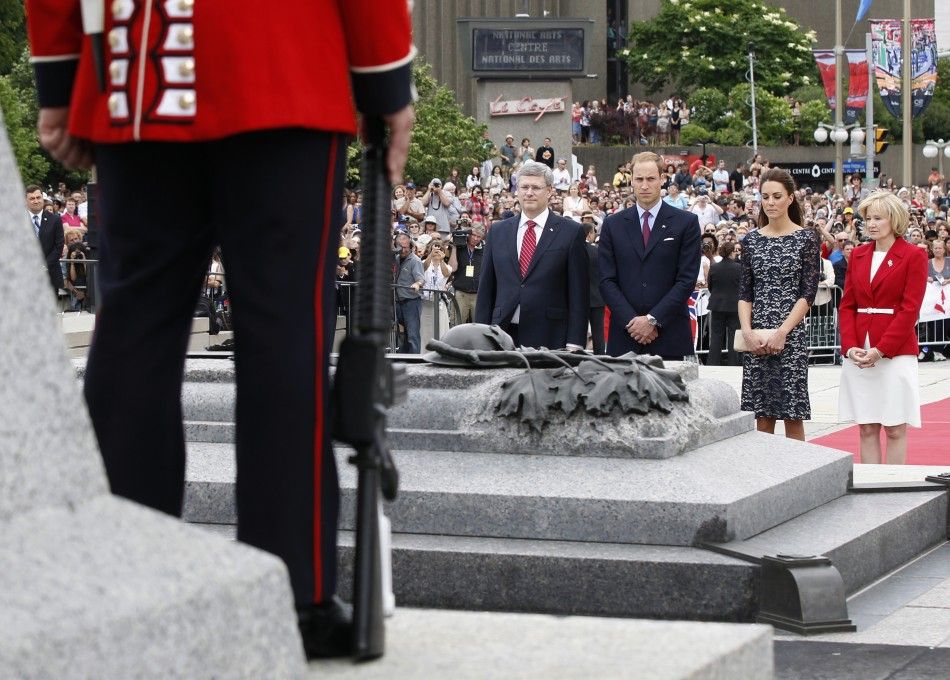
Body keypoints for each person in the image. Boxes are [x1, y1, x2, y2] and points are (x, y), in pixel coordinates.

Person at [26, 0, 415, 659]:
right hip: (281, 66)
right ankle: (293, 592)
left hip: (140, 68)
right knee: (284, 338)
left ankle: (120, 582)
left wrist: (62, 82)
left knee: (133, 337)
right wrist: (384, 83)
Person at [838, 192, 928, 464]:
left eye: (878, 217)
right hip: (860, 349)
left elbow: (909, 310)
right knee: (866, 426)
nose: (871, 224)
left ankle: (893, 486)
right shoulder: (859, 256)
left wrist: (881, 350)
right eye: (868, 219)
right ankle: (870, 486)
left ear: (894, 220)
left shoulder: (913, 256)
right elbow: (847, 305)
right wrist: (851, 347)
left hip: (895, 351)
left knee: (895, 427)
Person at [738, 168, 820, 440]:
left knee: (792, 413)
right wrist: (748, 332)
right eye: (765, 197)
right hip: (757, 337)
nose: (770, 202)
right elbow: (745, 293)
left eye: (776, 196)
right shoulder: (750, 240)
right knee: (762, 415)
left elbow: (807, 293)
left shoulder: (806, 238)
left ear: (790, 199)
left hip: (791, 335)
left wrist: (783, 331)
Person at [598, 151, 701, 360]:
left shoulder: (686, 223)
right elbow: (606, 280)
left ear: (662, 179)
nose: (644, 185)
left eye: (651, 179)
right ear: (631, 181)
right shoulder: (612, 224)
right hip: (625, 335)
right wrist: (633, 322)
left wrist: (653, 320)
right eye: (639, 179)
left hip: (670, 333)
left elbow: (686, 280)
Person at [476, 161, 589, 349]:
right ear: (517, 190)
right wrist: (480, 334)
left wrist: (575, 343)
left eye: (536, 187)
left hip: (551, 335)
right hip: (501, 333)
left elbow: (578, 292)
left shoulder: (571, 232)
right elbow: (486, 287)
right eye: (524, 187)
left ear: (550, 191)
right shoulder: (498, 231)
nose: (529, 192)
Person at [706, 241, 742, 366]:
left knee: (716, 337)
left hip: (717, 305)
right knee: (733, 336)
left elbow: (710, 286)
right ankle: (733, 364)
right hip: (734, 307)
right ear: (732, 252)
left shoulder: (714, 267)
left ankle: (712, 364)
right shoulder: (739, 268)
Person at [26, 184, 64, 293]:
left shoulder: (55, 220)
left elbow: (59, 246)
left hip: (50, 275)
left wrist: (43, 265)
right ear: (25, 200)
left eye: (38, 197)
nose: (36, 201)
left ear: (43, 198)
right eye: (32, 198)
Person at [394, 233, 425, 353]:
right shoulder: (395, 258)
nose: (404, 249)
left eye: (407, 246)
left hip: (411, 302)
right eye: (401, 246)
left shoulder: (415, 260)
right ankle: (404, 358)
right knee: (402, 335)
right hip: (397, 301)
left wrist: (417, 284)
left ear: (411, 246)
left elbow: (421, 279)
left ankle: (415, 361)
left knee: (413, 334)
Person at [447, 224, 484, 323]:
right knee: (458, 324)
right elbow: (452, 268)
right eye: (474, 235)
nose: (475, 238)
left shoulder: (485, 249)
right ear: (468, 234)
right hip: (461, 293)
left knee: (478, 325)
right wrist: (454, 247)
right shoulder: (460, 247)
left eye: (479, 236)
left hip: (478, 294)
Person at [420, 240, 451, 351]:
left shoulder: (447, 266)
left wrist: (441, 260)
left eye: (439, 249)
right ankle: (423, 355)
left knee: (441, 331)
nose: (437, 251)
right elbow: (423, 268)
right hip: (426, 303)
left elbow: (446, 273)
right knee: (425, 332)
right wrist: (430, 255)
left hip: (440, 303)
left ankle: (441, 354)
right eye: (434, 248)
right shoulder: (425, 262)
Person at [584, 223, 606, 354]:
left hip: (579, 298)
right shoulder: (597, 251)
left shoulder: (573, 249)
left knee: (579, 331)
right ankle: (601, 358)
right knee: (598, 332)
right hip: (597, 297)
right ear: (589, 234)